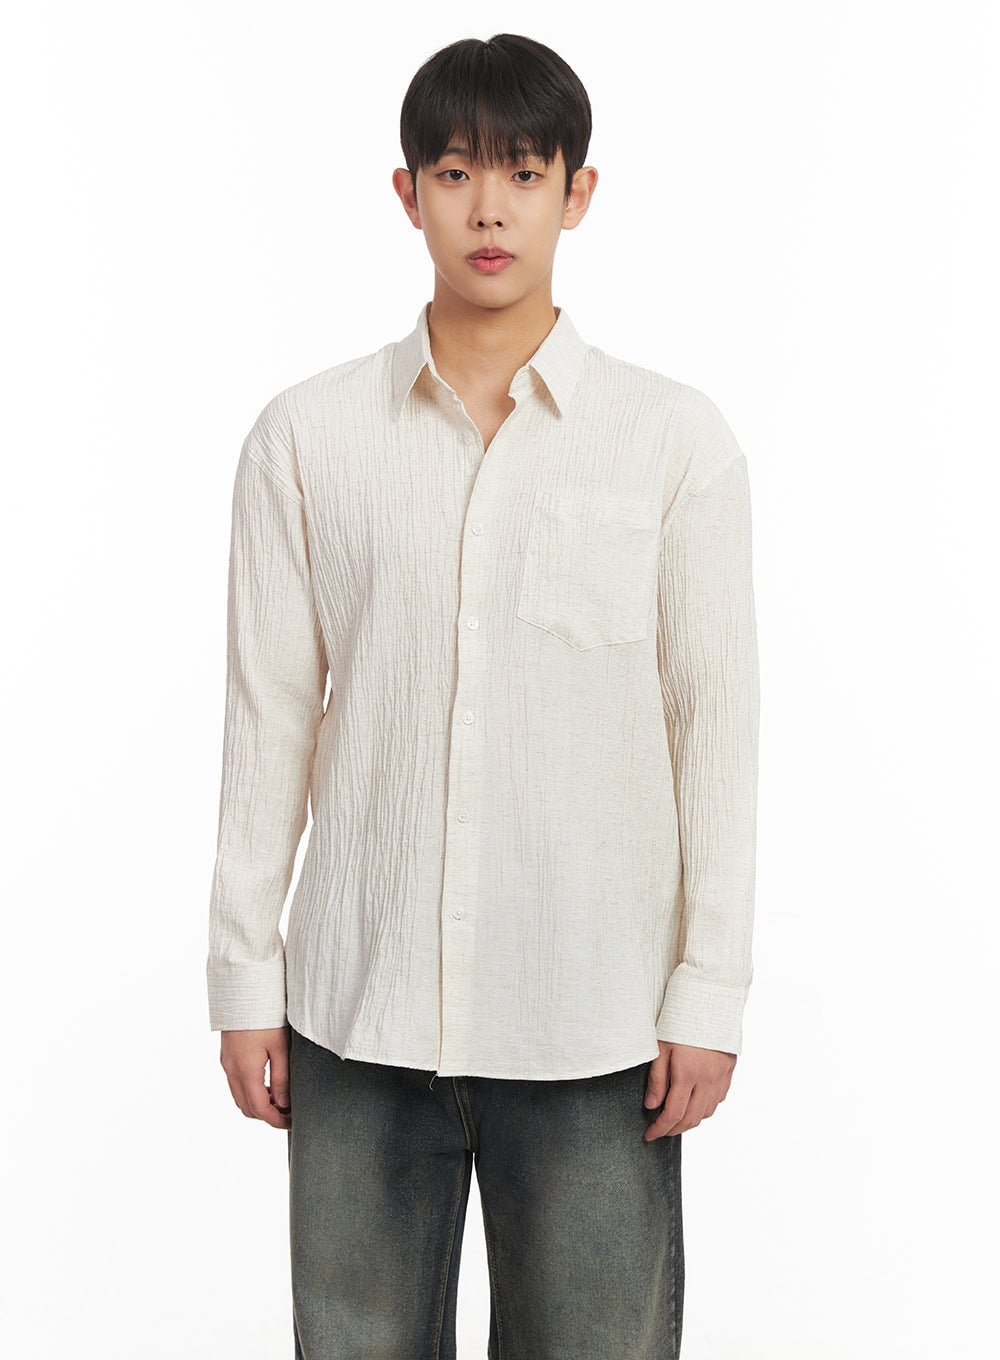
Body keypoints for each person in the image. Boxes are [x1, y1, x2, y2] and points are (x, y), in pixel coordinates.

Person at [206, 31, 760, 1360]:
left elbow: (716, 728)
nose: (490, 210)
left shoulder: (671, 443)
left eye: (524, 171)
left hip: (593, 1021)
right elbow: (268, 718)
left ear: (579, 192)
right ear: (408, 195)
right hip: (358, 1012)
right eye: (456, 173)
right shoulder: (307, 439)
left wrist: (709, 990)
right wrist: (242, 975)